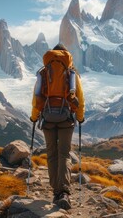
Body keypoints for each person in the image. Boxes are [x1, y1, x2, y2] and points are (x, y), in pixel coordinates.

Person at [30, 43, 85, 210]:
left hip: (47, 118)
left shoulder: (44, 72)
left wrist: (34, 117)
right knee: (64, 154)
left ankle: (56, 190)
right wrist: (80, 118)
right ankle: (64, 191)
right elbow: (80, 99)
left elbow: (36, 97)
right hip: (66, 118)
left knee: (52, 153)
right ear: (67, 56)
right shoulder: (71, 74)